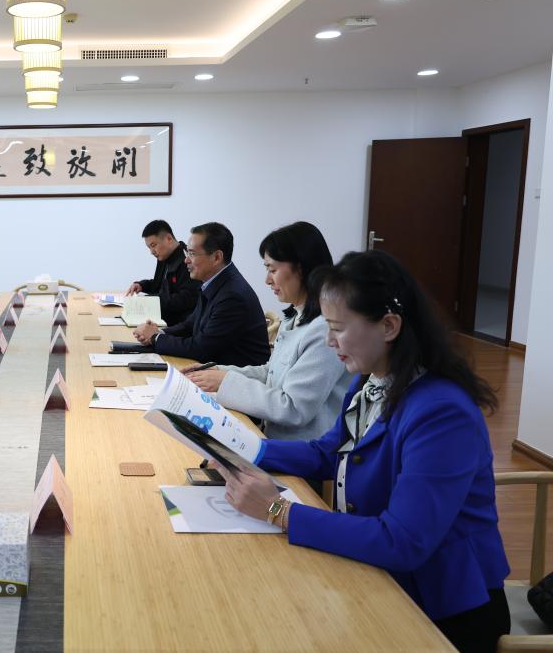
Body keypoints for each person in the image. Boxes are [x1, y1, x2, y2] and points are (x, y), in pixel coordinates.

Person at [212, 250, 509, 653]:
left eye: (337, 328)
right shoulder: (372, 379)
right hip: (378, 575)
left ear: (389, 326)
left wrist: (278, 510)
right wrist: (240, 448)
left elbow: (402, 541)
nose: (329, 341)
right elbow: (327, 453)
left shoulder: (441, 411)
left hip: (441, 610)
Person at [183, 222, 350, 441]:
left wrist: (225, 381)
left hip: (304, 451)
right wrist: (215, 372)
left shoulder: (325, 330)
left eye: (272, 270)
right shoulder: (296, 316)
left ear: (300, 268)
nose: (267, 280)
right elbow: (270, 373)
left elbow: (293, 408)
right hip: (275, 439)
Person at [133, 222, 269, 365]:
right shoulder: (213, 282)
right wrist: (160, 332)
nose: (186, 260)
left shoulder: (232, 296)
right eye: (187, 253)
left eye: (192, 254)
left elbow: (200, 348)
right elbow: (190, 324)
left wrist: (155, 338)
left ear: (216, 257)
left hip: (234, 375)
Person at [125, 219, 200, 326]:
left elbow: (185, 299)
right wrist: (142, 285)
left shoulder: (186, 260)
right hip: (161, 318)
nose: (152, 252)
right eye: (149, 247)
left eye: (153, 245)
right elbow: (160, 285)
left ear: (169, 238)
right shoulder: (164, 257)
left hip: (176, 325)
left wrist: (149, 301)